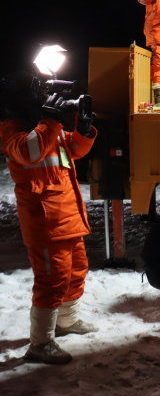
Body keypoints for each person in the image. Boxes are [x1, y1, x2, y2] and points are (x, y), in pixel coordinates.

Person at [0, 73, 97, 365]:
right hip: (45, 223)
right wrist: (50, 119)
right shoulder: (11, 132)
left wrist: (85, 128)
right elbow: (30, 151)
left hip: (67, 215)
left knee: (76, 271)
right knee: (51, 280)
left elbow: (74, 150)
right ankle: (40, 344)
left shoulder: (47, 129)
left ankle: (67, 321)